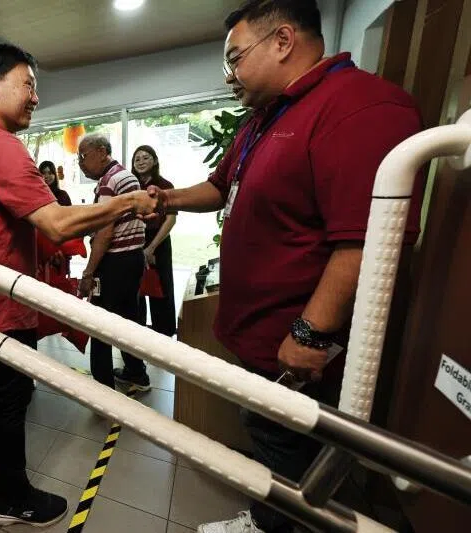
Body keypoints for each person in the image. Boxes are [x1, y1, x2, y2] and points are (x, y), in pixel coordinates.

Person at [146, 2, 425, 532]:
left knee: (299, 457)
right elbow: (218, 187)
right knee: (273, 443)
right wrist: (164, 200)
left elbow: (365, 242)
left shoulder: (358, 106)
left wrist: (309, 332)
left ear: (282, 41)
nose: (230, 75)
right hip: (259, 336)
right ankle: (270, 520)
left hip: (299, 344)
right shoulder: (266, 117)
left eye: (235, 58)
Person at [0, 43, 157, 528]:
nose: (36, 96)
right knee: (10, 397)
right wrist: (128, 203)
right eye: (29, 84)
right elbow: (58, 224)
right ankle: (11, 498)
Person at [77, 134, 151, 391]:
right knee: (128, 320)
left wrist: (88, 272)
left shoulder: (110, 182)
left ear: (101, 151)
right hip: (131, 259)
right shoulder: (125, 176)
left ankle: (102, 388)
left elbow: (105, 233)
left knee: (99, 325)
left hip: (115, 262)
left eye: (83, 156)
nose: (81, 164)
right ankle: (136, 373)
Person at [131, 145, 177, 338]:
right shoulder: (132, 186)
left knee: (162, 290)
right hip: (135, 243)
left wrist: (151, 248)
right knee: (136, 291)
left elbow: (171, 218)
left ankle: (164, 335)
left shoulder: (165, 185)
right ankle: (138, 334)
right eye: (137, 159)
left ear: (155, 161)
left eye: (145, 158)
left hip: (158, 242)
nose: (141, 162)